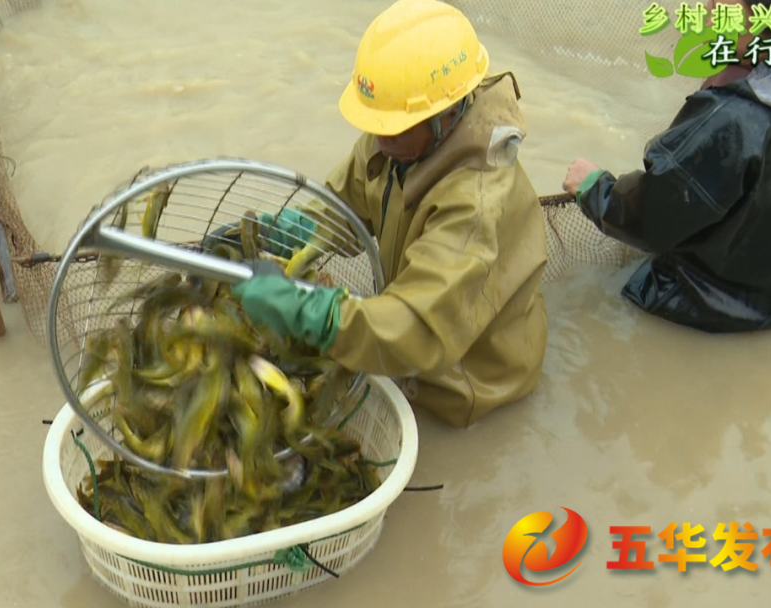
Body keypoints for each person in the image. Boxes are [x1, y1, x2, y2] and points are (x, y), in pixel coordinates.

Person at [221, 0, 550, 429]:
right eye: (376, 120)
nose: (378, 135)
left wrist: (311, 312)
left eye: (393, 125)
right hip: (419, 330)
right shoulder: (399, 136)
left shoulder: (476, 202)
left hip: (469, 384)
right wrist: (296, 232)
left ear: (448, 114)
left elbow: (415, 330)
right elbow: (348, 200)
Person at [562, 0, 771, 333]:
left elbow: (656, 217)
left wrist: (595, 188)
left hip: (703, 309)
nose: (708, 12)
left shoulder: (729, 123)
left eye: (724, 12)